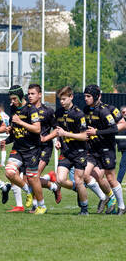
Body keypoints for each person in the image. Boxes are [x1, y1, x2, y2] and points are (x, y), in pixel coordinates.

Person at [42, 86, 89, 215]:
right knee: (61, 180)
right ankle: (77, 189)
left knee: (79, 180)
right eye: (60, 99)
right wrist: (57, 139)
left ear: (71, 97)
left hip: (79, 152)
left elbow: (85, 136)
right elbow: (58, 130)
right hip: (66, 152)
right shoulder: (58, 113)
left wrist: (66, 134)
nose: (61, 102)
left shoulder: (78, 114)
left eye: (64, 99)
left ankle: (84, 209)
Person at [4, 85, 47, 215]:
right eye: (10, 99)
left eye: (14, 99)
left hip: (32, 149)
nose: (12, 102)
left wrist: (20, 122)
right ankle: (28, 191)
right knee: (9, 172)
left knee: (33, 178)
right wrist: (10, 129)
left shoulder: (31, 109)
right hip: (18, 147)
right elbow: (14, 125)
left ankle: (42, 206)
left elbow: (37, 129)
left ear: (20, 97)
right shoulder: (13, 108)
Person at [84, 85, 125, 215]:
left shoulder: (106, 110)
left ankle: (122, 206)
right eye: (85, 96)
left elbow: (114, 128)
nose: (85, 98)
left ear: (97, 96)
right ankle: (104, 197)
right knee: (85, 175)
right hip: (92, 149)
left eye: (88, 96)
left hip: (106, 149)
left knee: (110, 178)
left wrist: (97, 132)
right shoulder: (86, 110)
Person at [27, 84, 61, 211]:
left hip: (45, 147)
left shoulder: (48, 111)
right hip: (30, 148)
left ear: (40, 95)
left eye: (33, 93)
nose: (30, 96)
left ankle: (36, 205)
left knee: (34, 176)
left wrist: (48, 139)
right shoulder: (26, 110)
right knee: (29, 178)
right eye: (28, 94)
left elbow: (57, 129)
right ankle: (53, 186)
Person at [116, 106, 126, 184]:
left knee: (123, 164)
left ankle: (118, 182)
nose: (125, 113)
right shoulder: (118, 123)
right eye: (123, 112)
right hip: (122, 147)